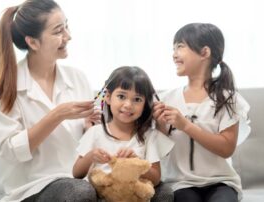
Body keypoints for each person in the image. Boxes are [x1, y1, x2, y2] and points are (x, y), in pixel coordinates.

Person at [0, 0, 100, 201]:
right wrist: (57, 115)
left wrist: (90, 128)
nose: (68, 36)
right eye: (58, 31)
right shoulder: (4, 90)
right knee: (80, 192)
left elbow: (85, 143)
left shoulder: (77, 78)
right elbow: (12, 153)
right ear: (33, 42)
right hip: (31, 189)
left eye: (66, 25)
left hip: (76, 180)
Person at [153, 23, 250, 202]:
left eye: (180, 47)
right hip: (180, 183)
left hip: (222, 182)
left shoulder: (228, 99)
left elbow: (226, 148)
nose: (174, 54)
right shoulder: (165, 99)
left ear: (205, 52)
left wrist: (186, 126)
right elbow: (160, 154)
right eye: (173, 48)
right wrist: (160, 128)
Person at [73, 66, 175, 202]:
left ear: (145, 104)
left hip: (136, 196)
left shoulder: (149, 136)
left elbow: (156, 178)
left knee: (166, 193)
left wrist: (136, 163)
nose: (128, 105)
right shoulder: (95, 132)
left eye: (137, 99)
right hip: (102, 196)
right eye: (121, 96)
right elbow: (77, 173)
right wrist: (91, 156)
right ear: (108, 97)